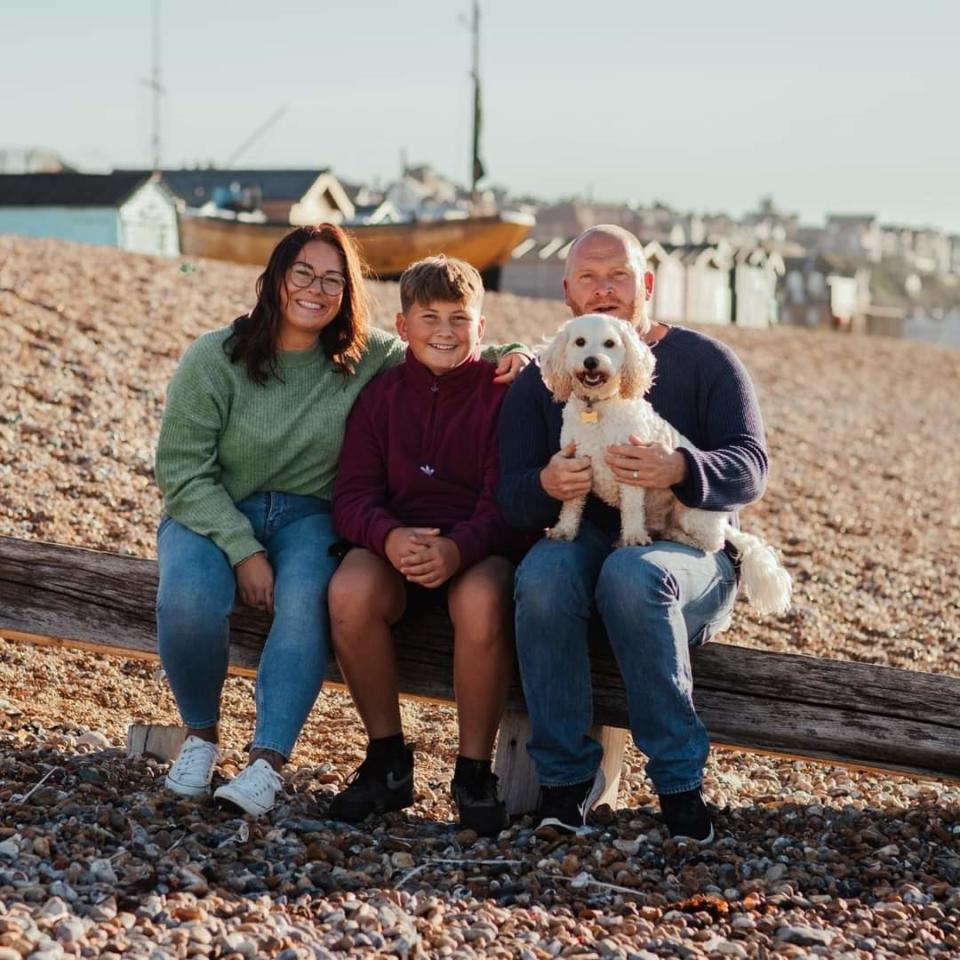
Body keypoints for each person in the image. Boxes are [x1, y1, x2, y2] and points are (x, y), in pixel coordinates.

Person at [155, 225, 529, 817]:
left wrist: (517, 356)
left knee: (309, 595)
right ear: (275, 279)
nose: (316, 289)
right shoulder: (216, 357)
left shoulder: (365, 355)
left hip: (311, 517)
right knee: (191, 598)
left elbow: (454, 336)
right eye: (302, 273)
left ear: (349, 292)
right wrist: (244, 549)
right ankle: (202, 737)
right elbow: (181, 471)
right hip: (215, 512)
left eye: (333, 279)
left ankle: (267, 764)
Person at [497, 224, 769, 843]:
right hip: (587, 544)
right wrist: (546, 482)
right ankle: (563, 789)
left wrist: (681, 467)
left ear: (645, 285)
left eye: (618, 274)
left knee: (633, 574)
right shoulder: (547, 373)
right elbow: (508, 496)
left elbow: (752, 467)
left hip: (687, 551)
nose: (604, 289)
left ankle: (678, 786)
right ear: (568, 293)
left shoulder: (706, 361)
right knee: (541, 575)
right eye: (589, 277)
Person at [326, 255, 532, 836]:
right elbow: (351, 497)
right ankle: (388, 761)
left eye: (459, 318)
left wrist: (458, 550)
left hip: (478, 548)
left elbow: (507, 504)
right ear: (403, 326)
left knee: (482, 602)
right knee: (348, 591)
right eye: (429, 317)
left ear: (482, 329)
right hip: (395, 544)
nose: (444, 331)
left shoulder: (501, 397)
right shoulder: (381, 397)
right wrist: (388, 538)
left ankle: (473, 772)